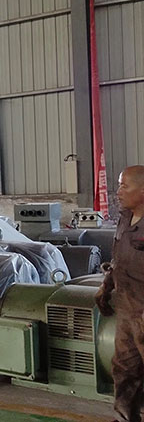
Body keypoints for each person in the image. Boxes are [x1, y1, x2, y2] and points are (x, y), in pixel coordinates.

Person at [96, 165, 144, 422]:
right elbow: (118, 260)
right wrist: (106, 286)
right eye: (118, 185)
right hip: (127, 309)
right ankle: (126, 418)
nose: (118, 192)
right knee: (124, 368)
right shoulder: (125, 218)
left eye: (125, 186)